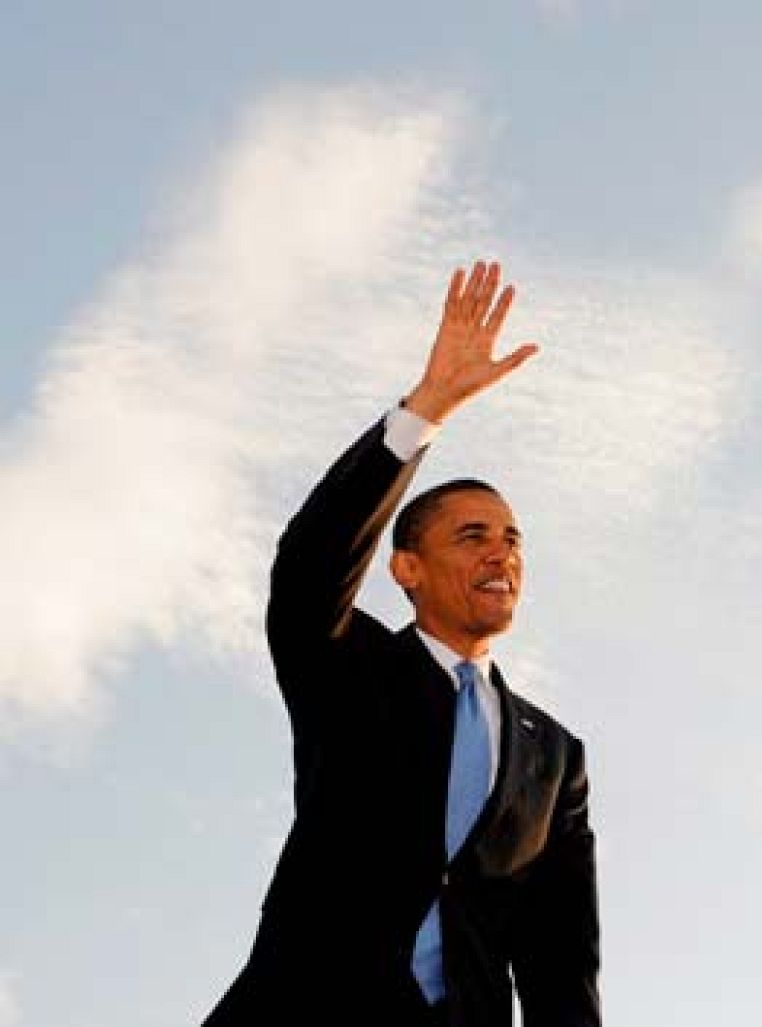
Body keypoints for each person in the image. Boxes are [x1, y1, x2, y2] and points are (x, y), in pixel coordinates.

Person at [203, 261, 600, 1027]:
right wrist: (426, 410)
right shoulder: (348, 665)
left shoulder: (555, 756)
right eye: (473, 535)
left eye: (512, 538)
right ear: (407, 568)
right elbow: (308, 565)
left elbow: (560, 957)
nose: (502, 551)